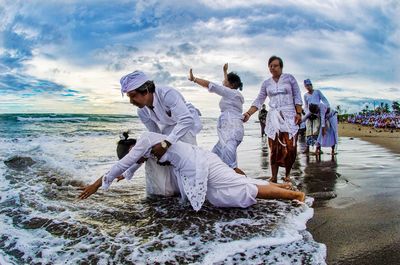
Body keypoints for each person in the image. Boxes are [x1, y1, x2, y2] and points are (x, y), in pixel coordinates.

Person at [78, 132, 305, 211]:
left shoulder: (145, 140)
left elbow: (124, 163)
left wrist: (97, 185)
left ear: (132, 148)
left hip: (202, 163)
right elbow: (130, 166)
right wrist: (123, 175)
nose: (134, 159)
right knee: (226, 193)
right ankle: (283, 187)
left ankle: (296, 195)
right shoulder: (144, 150)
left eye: (131, 155)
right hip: (196, 167)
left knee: (238, 189)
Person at [119, 71, 202, 196]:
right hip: (167, 129)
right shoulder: (142, 112)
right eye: (129, 97)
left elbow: (186, 120)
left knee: (186, 164)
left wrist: (166, 144)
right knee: (157, 158)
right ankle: (164, 196)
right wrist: (128, 170)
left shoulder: (168, 94)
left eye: (133, 96)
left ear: (146, 90)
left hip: (185, 127)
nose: (131, 101)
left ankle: (191, 196)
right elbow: (154, 134)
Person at [242, 56, 303, 183]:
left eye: (275, 65)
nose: (272, 68)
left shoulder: (289, 79)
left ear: (281, 67)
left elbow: (297, 95)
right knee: (274, 148)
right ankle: (274, 176)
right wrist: (248, 113)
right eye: (270, 66)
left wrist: (298, 113)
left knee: (291, 148)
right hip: (273, 116)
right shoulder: (266, 83)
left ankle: (287, 174)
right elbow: (259, 100)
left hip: (289, 115)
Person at [188, 63, 245, 175]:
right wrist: (225, 72)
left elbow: (212, 85)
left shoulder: (231, 93)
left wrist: (194, 79)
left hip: (231, 132)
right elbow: (225, 84)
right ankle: (215, 184)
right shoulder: (232, 93)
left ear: (232, 84)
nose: (223, 82)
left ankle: (251, 185)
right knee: (213, 158)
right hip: (227, 132)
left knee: (231, 168)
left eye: (226, 81)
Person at [303, 79, 330, 154]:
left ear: (311, 85)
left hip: (317, 114)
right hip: (309, 114)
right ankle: (307, 147)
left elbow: (324, 99)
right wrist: (306, 113)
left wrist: (327, 106)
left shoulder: (317, 92)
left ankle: (318, 148)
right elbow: (305, 105)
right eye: (306, 86)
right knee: (308, 131)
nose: (308, 87)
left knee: (317, 131)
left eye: (309, 85)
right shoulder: (305, 95)